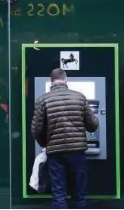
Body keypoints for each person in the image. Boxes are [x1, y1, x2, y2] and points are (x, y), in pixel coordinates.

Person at [31, 68, 99, 209]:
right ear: (66, 79)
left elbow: (36, 129)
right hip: (77, 151)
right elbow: (93, 125)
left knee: (59, 194)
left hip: (55, 153)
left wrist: (46, 143)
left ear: (51, 81)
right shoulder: (79, 97)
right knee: (80, 194)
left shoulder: (43, 100)